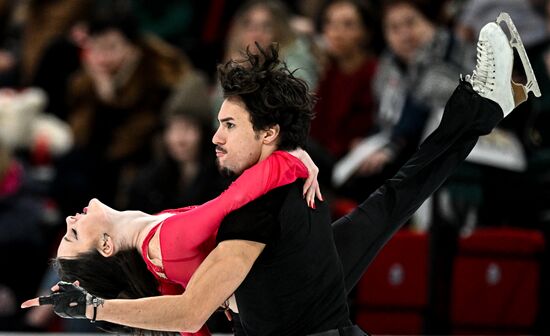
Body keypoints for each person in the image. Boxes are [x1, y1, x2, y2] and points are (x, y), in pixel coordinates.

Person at [23, 13, 541, 336]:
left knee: (394, 199)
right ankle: (489, 98)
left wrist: (287, 155)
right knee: (391, 198)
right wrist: (291, 159)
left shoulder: (153, 234)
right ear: (108, 249)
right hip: (293, 313)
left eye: (227, 124)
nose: (70, 218)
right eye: (74, 233)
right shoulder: (165, 240)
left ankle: (491, 98)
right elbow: (223, 226)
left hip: (286, 285)